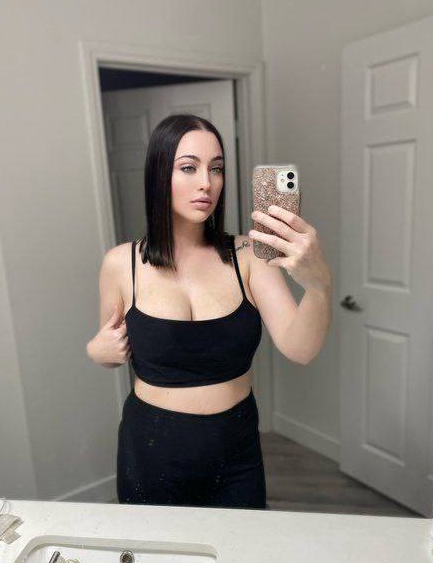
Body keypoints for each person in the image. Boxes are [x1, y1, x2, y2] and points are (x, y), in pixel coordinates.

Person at [86, 114, 332, 509]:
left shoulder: (249, 257)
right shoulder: (120, 264)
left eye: (216, 169)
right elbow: (109, 347)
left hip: (235, 449)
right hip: (150, 449)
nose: (207, 182)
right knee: (156, 548)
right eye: (189, 167)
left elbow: (300, 349)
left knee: (242, 545)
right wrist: (96, 350)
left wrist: (318, 285)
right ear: (158, 175)